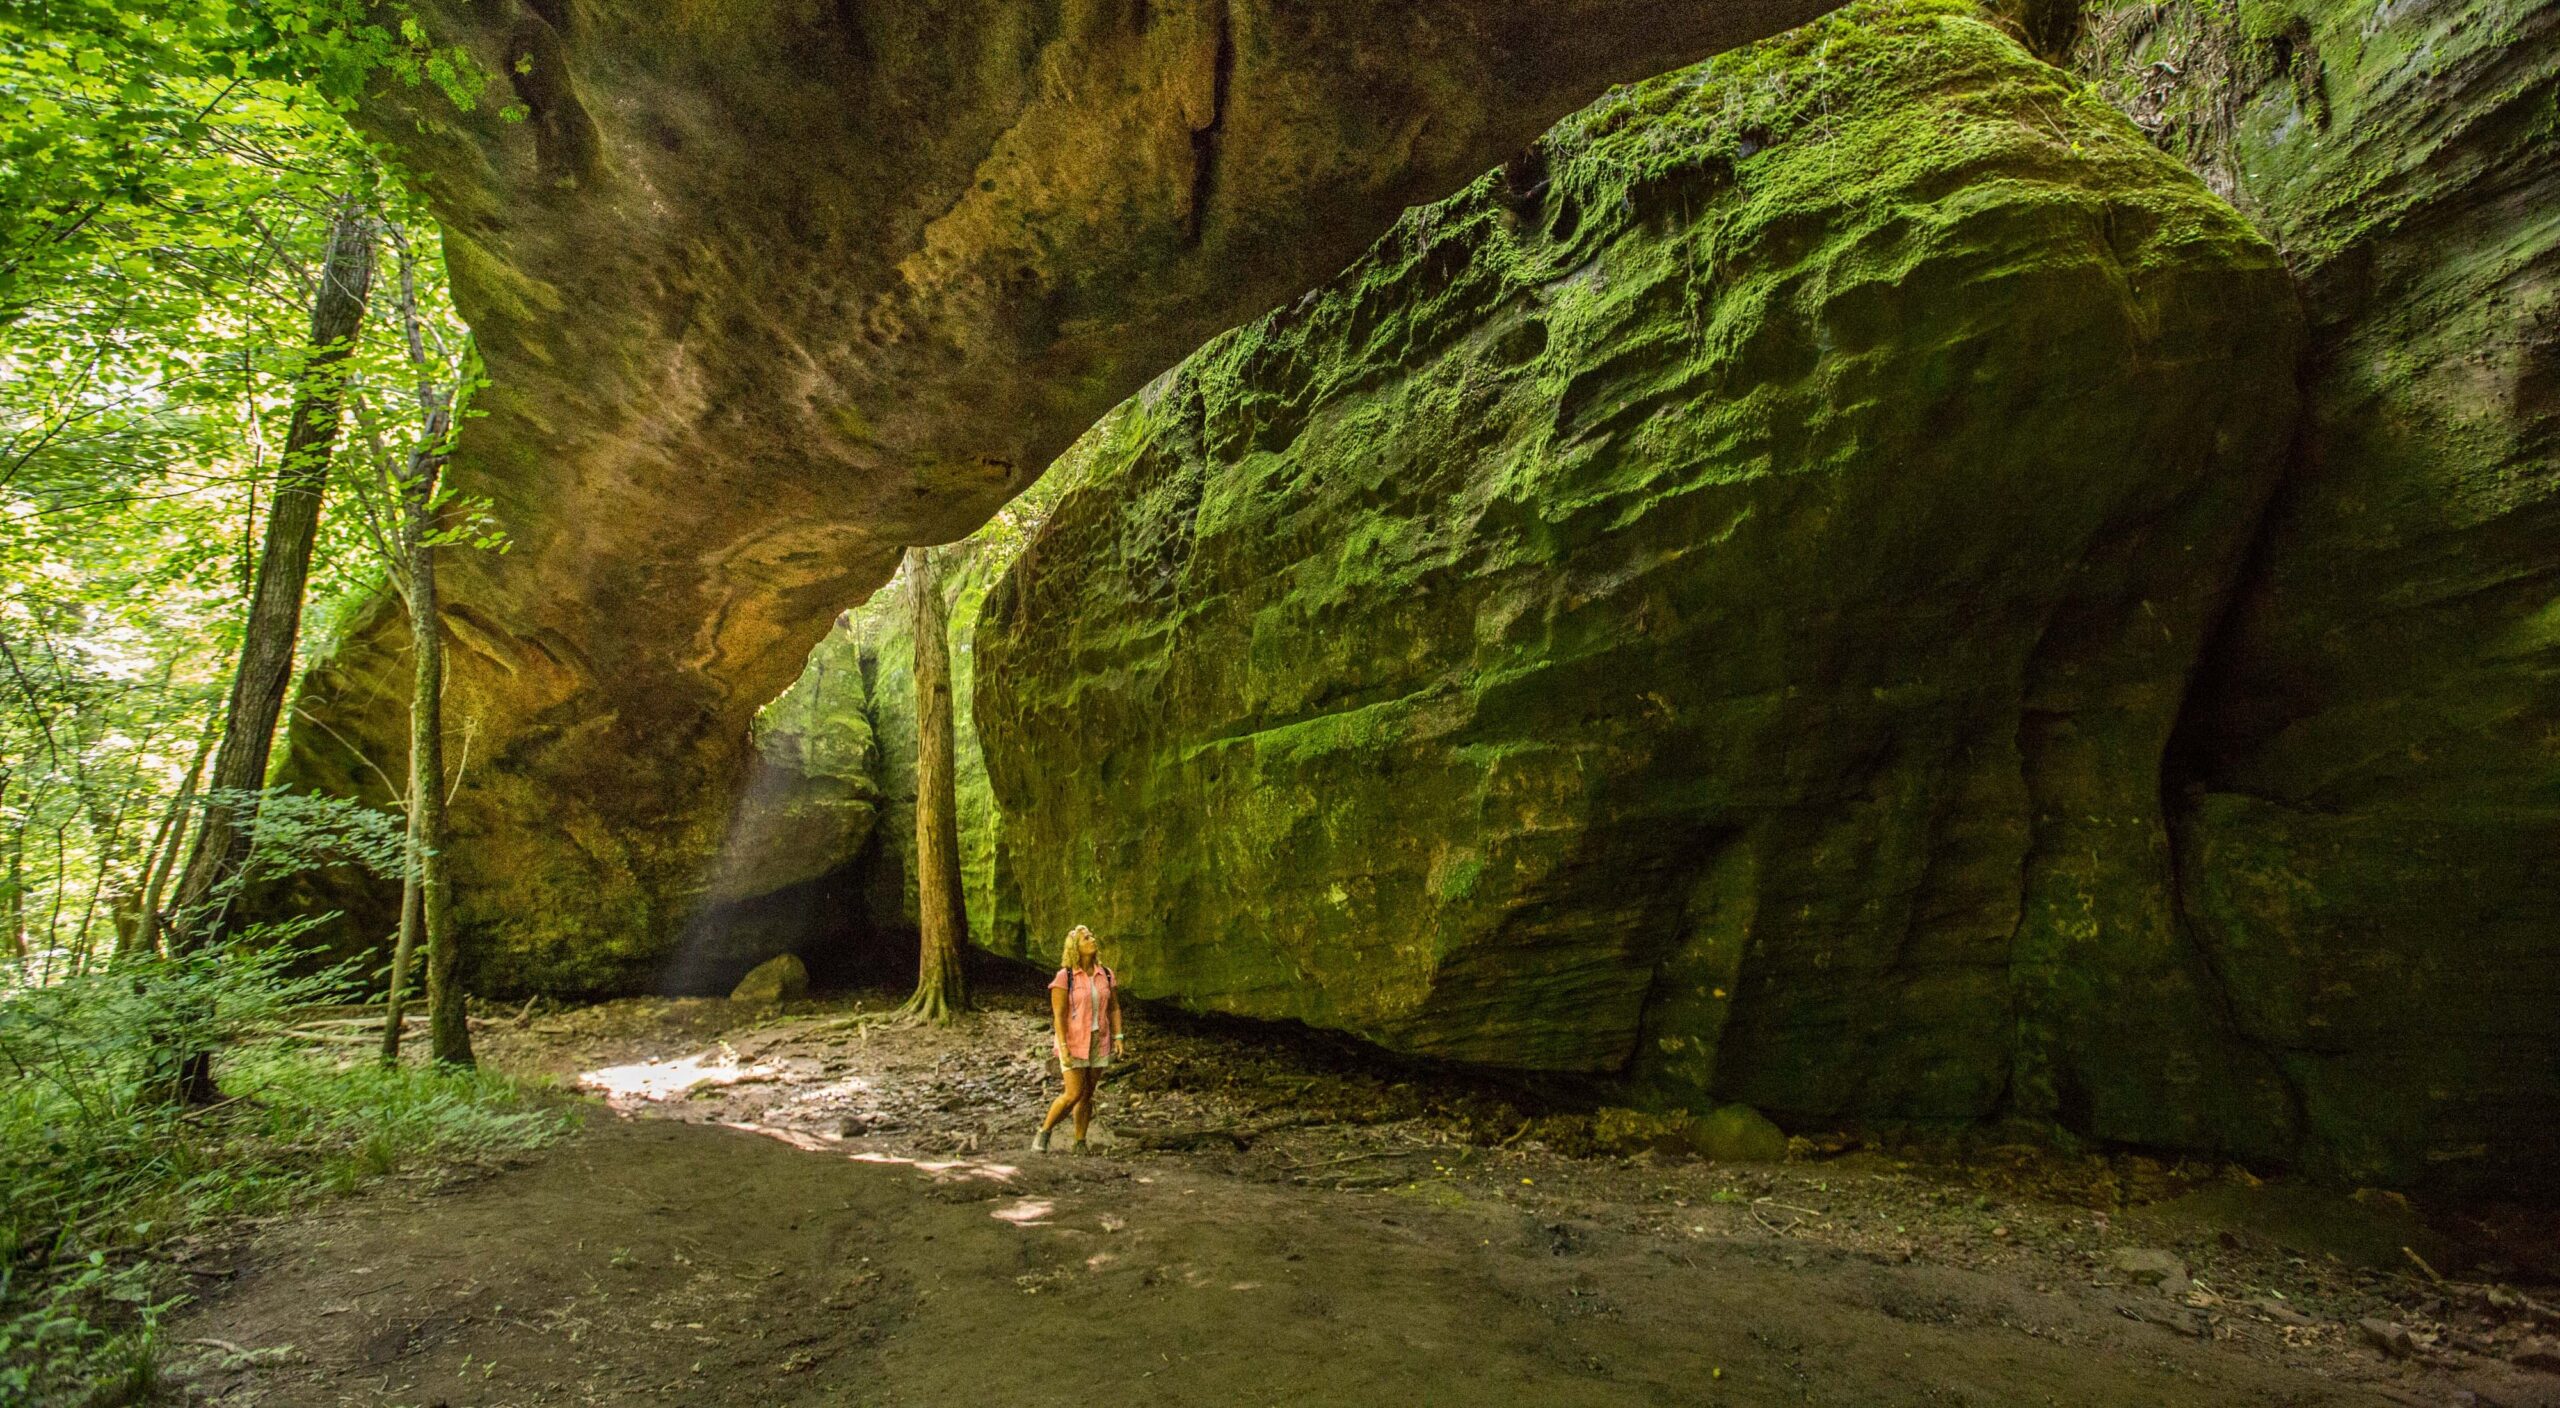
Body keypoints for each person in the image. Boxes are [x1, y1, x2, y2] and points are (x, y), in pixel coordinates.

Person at [1034, 925, 1123, 1154]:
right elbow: (1059, 1015)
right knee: (1073, 1093)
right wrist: (1062, 1046)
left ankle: (1080, 1141)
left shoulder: (1106, 974)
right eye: (1087, 938)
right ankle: (1044, 1132)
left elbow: (1113, 1008)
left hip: (1098, 1039)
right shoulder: (1065, 977)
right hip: (1074, 1041)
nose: (1092, 939)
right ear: (1076, 947)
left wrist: (1118, 1036)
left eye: (1092, 935)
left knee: (1087, 1094)